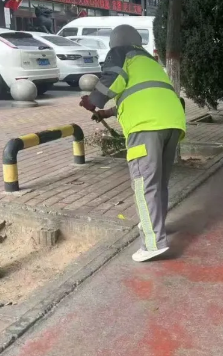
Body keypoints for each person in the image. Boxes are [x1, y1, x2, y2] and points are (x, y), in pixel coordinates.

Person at [79, 25, 186, 262]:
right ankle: (158, 227)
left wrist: (92, 101)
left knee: (144, 184)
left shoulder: (120, 53)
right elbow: (140, 93)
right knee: (159, 183)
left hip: (145, 126)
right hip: (172, 122)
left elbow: (114, 80)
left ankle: (152, 243)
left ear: (115, 42)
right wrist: (107, 114)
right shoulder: (149, 61)